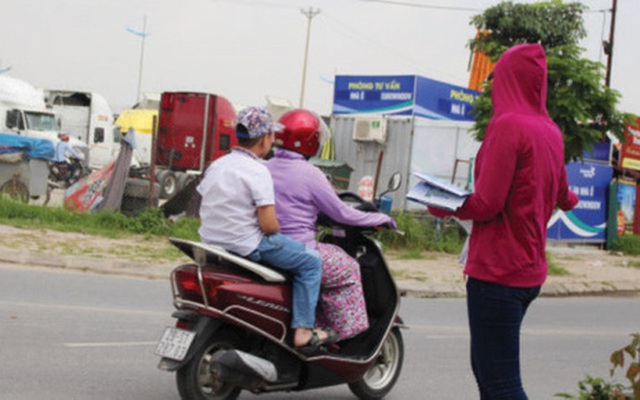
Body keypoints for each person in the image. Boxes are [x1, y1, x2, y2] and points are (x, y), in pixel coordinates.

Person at [427, 43, 579, 399]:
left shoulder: (507, 127)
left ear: (507, 79)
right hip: (529, 272)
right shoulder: (550, 131)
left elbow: (487, 204)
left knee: (500, 383)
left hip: (497, 273)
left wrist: (442, 204)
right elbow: (565, 197)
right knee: (488, 374)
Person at [196, 106, 334, 352]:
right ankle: (303, 330)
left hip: (211, 240)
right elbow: (269, 226)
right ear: (264, 139)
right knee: (311, 262)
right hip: (248, 244)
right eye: (272, 136)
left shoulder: (218, 165)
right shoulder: (258, 170)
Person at [266, 109, 396, 341]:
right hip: (299, 247)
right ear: (310, 141)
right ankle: (338, 331)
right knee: (347, 267)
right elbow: (342, 213)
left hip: (267, 245)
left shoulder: (265, 167)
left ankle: (315, 319)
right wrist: (381, 219)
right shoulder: (310, 173)